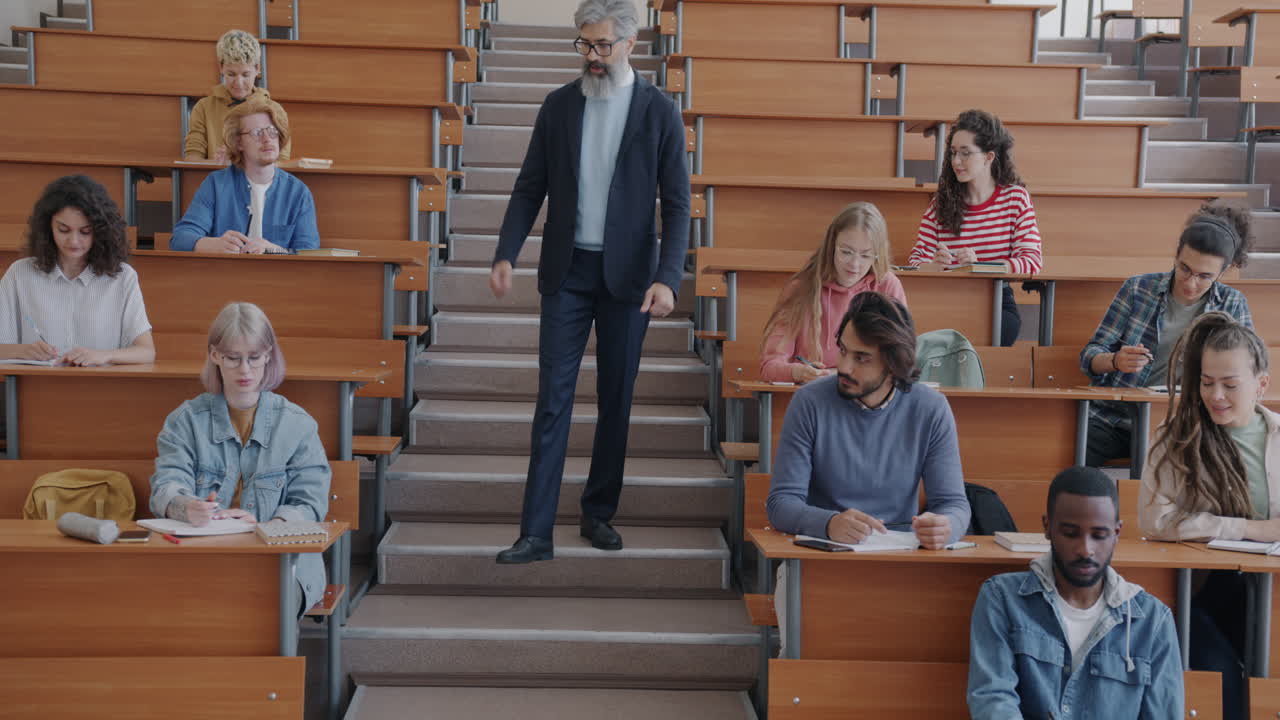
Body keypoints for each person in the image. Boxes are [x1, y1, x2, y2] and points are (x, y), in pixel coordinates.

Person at [488, 0, 690, 564]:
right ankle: (536, 532)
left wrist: (668, 279)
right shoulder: (558, 107)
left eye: (603, 45)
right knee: (552, 400)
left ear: (630, 44)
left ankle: (598, 513)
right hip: (567, 272)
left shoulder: (658, 112)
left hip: (629, 280)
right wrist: (506, 252)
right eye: (585, 44)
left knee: (615, 401)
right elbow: (530, 187)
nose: (593, 56)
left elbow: (677, 206)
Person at [149, 302, 330, 615]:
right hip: (204, 561)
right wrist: (185, 507)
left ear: (269, 355)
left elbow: (310, 504)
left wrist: (266, 527)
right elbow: (167, 484)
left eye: (254, 357)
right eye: (233, 358)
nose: (245, 370)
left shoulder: (298, 424)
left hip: (281, 565)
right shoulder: (185, 421)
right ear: (214, 355)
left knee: (263, 604)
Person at [1140, 312, 1274, 720]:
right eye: (1206, 382)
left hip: (1269, 593)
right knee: (1222, 689)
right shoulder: (1177, 438)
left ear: (1261, 384)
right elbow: (1155, 520)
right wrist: (1250, 529)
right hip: (1197, 593)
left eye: (1230, 385)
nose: (1216, 395)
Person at [968, 466, 1183, 719]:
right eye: (1070, 534)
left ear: (1116, 533)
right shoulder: (1002, 598)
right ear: (1047, 527)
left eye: (1099, 535)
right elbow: (993, 701)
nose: (1085, 549)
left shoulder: (1153, 621)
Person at [766, 291, 969, 549]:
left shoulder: (931, 408)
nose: (843, 367)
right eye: (842, 351)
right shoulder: (809, 402)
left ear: (893, 364)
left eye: (861, 358)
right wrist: (829, 523)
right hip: (824, 553)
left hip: (902, 553)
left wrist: (946, 526)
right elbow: (781, 504)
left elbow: (954, 504)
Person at [1081, 203, 1254, 467]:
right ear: (1176, 255)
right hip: (1114, 420)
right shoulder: (1138, 288)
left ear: (1223, 272)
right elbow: (1089, 356)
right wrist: (1115, 360)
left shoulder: (1232, 304)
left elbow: (1245, 373)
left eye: (1204, 276)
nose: (1190, 282)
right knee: (1067, 450)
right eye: (1185, 268)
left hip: (1189, 425)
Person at [906, 109, 1043, 347]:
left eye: (965, 153)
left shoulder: (1015, 198)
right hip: (945, 297)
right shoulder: (941, 202)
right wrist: (934, 266)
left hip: (995, 299)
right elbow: (916, 260)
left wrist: (980, 267)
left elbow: (1032, 260)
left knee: (1001, 327)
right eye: (953, 153)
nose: (956, 161)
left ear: (989, 157)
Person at [0, 175, 154, 366]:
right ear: (48, 228)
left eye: (85, 232)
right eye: (63, 230)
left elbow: (146, 352)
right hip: (37, 388)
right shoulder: (20, 274)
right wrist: (22, 350)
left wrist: (105, 355)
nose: (73, 241)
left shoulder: (122, 276)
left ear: (100, 231)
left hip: (103, 387)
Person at [759, 202, 907, 384]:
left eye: (866, 255)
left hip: (869, 397)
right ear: (831, 246)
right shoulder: (800, 289)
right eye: (846, 252)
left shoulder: (887, 286)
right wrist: (797, 372)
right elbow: (770, 367)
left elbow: (901, 361)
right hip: (815, 398)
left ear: (878, 255)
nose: (854, 264)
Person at [171, 95, 318, 254]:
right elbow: (180, 239)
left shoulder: (298, 192)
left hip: (279, 277)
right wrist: (212, 244)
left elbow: (309, 253)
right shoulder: (216, 184)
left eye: (272, 131)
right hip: (225, 275)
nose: (267, 139)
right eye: (257, 132)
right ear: (238, 142)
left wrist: (274, 249)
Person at [184, 29, 292, 163]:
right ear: (221, 68)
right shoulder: (203, 108)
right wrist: (217, 164)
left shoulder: (275, 110)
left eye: (245, 75)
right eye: (231, 74)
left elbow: (282, 162)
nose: (238, 83)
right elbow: (191, 158)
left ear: (258, 69)